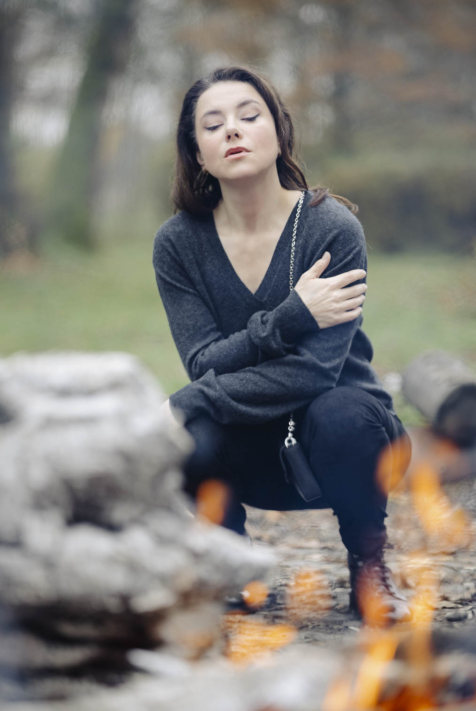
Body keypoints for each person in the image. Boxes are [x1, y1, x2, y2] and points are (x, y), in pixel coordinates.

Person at [152, 65, 412, 625]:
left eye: (249, 116)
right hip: (248, 452)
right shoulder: (178, 244)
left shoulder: (331, 229)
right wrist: (291, 316)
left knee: (342, 411)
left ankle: (370, 570)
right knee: (188, 438)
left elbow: (315, 373)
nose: (233, 131)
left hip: (345, 446)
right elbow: (202, 362)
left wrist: (193, 397)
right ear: (197, 152)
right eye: (213, 124)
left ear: (279, 132)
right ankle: (233, 570)